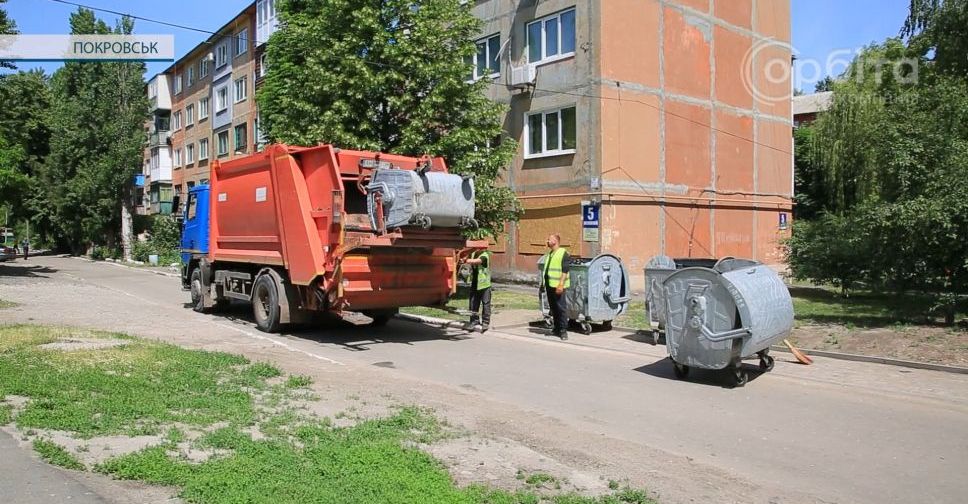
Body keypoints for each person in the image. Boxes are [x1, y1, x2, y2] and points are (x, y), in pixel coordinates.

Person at [542, 233, 570, 340]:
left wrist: (561, 284)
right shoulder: (550, 254)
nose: (547, 241)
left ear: (556, 241)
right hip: (550, 285)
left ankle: (563, 330)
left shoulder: (563, 253)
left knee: (561, 308)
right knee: (553, 308)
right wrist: (543, 284)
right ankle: (557, 328)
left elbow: (565, 270)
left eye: (549, 239)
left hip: (558, 286)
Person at [463, 249, 492, 333]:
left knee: (485, 303)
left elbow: (478, 261)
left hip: (484, 284)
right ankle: (474, 321)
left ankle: (485, 323)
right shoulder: (473, 254)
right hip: (475, 283)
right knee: (473, 303)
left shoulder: (485, 255)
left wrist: (466, 260)